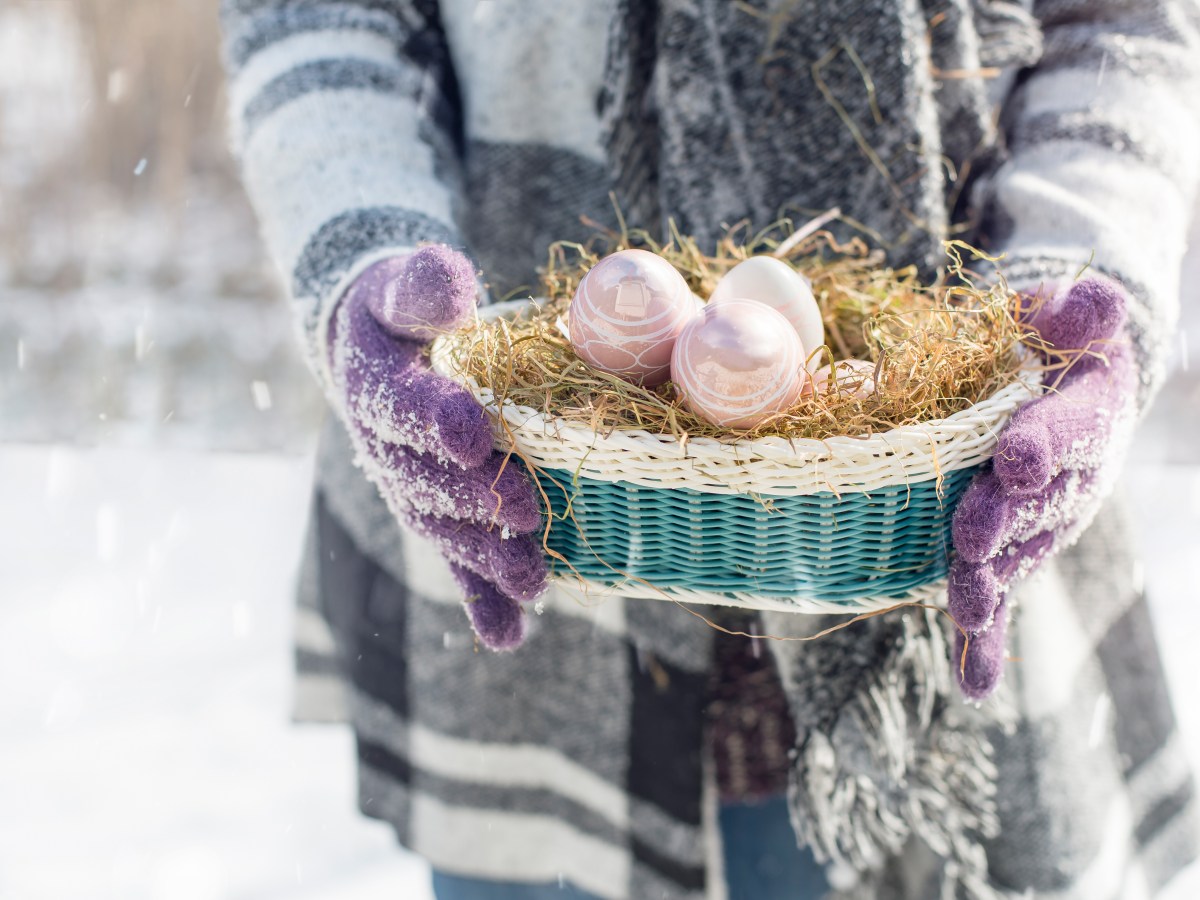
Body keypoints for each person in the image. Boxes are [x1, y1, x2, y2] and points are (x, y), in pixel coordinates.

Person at [219, 1, 1200, 897]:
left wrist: (1072, 290)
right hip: (516, 515)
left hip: (944, 524)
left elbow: (1115, 23)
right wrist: (364, 262)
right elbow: (321, 16)